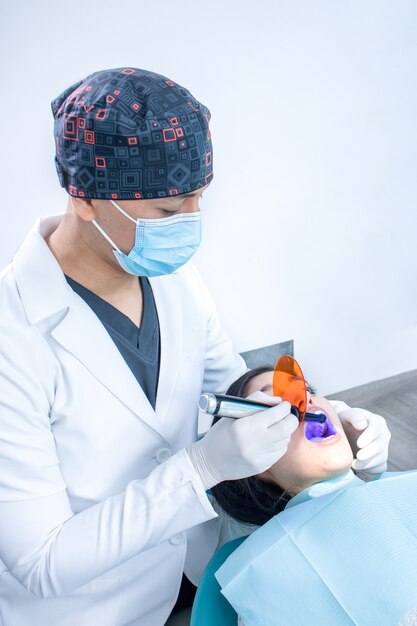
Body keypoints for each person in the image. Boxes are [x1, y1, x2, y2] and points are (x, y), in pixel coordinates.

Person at [0, 67, 390, 626]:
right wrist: (199, 467)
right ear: (84, 197)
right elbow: (42, 561)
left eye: (197, 199)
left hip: (191, 575)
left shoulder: (171, 276)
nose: (190, 224)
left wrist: (330, 419)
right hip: (82, 611)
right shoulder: (13, 337)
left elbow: (231, 395)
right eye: (166, 211)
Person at [211, 367, 417, 626]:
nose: (304, 400)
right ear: (253, 461)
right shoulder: (268, 576)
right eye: (275, 403)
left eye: (307, 390)